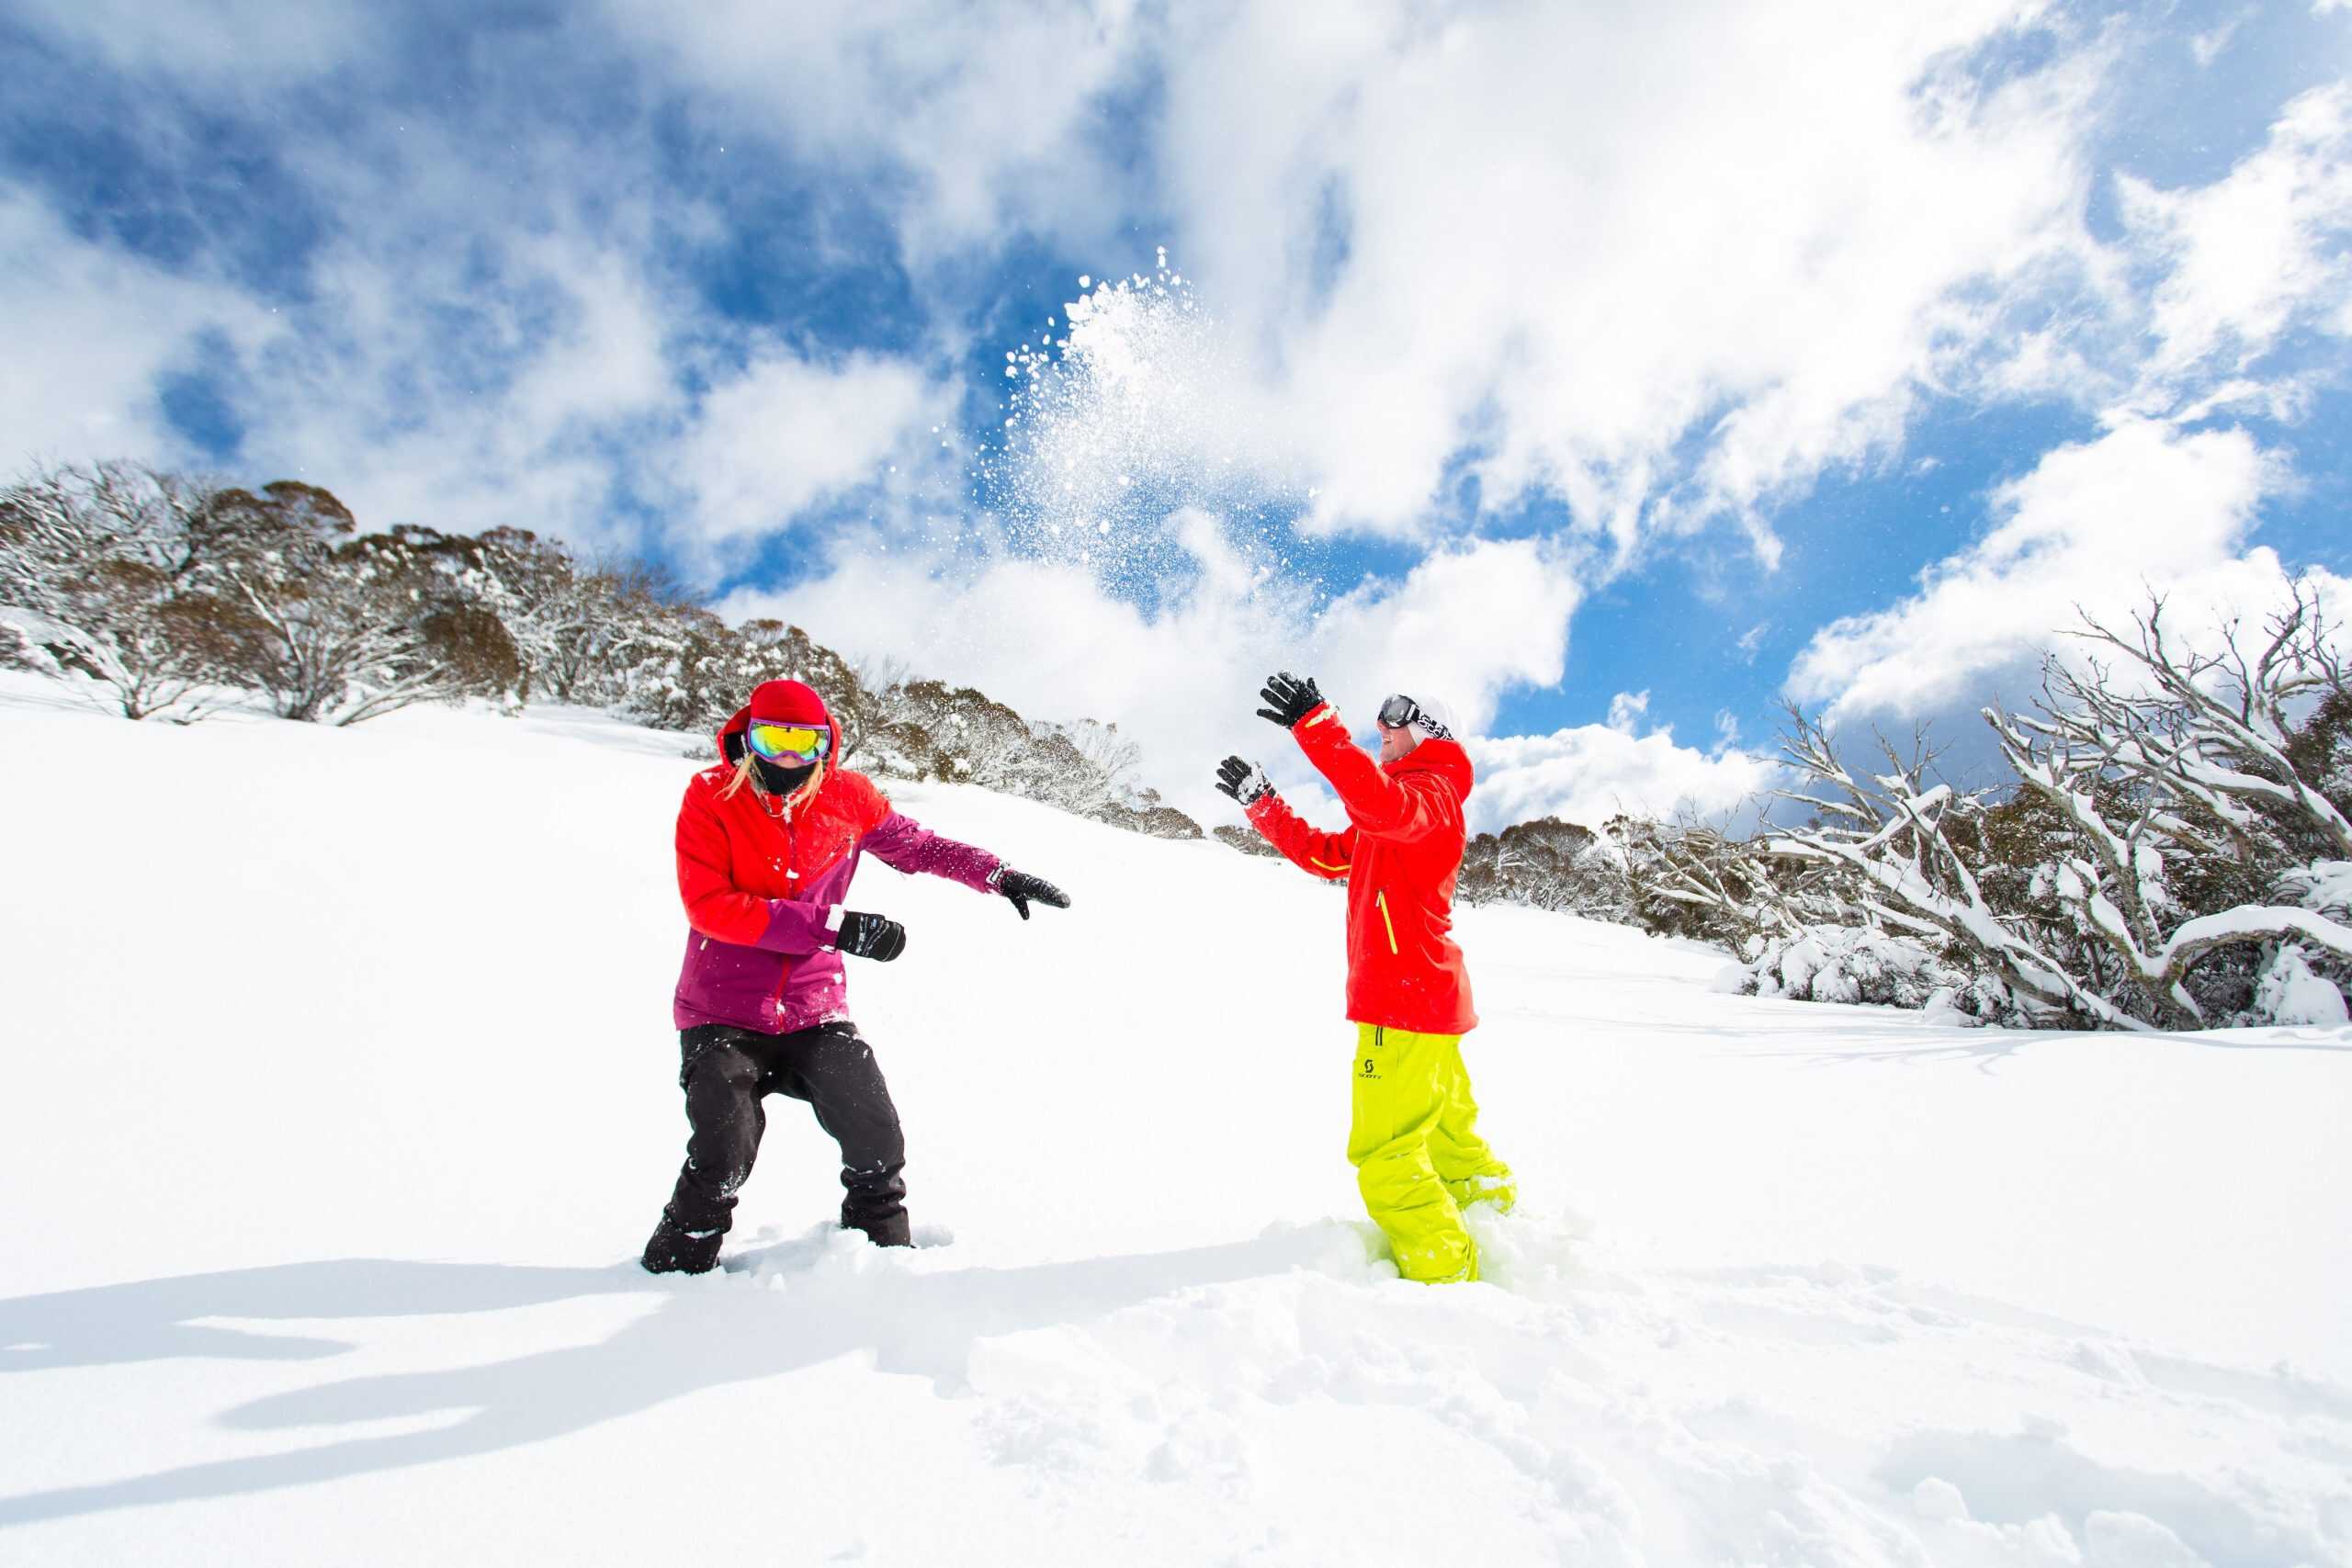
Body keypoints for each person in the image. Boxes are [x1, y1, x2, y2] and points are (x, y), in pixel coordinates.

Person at [642, 677, 1069, 1274]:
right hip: (722, 1009)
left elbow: (918, 847)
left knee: (876, 1133)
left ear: (827, 746)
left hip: (813, 1009)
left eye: (804, 743)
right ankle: (677, 1265)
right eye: (773, 740)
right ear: (748, 739)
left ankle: (881, 1261)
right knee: (724, 1148)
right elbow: (710, 905)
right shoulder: (711, 795)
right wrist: (833, 927)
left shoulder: (849, 797)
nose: (788, 758)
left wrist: (995, 873)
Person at [1216, 672, 1513, 1283]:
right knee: (1449, 1143)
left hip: (1402, 1008)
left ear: (1429, 730)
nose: (1380, 729)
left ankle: (1447, 1278)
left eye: (1393, 720)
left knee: (1386, 1154)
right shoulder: (1400, 812)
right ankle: (1504, 1225)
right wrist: (1264, 803)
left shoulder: (1428, 798)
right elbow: (1327, 853)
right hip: (1429, 1005)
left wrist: (1317, 726)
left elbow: (1381, 803)